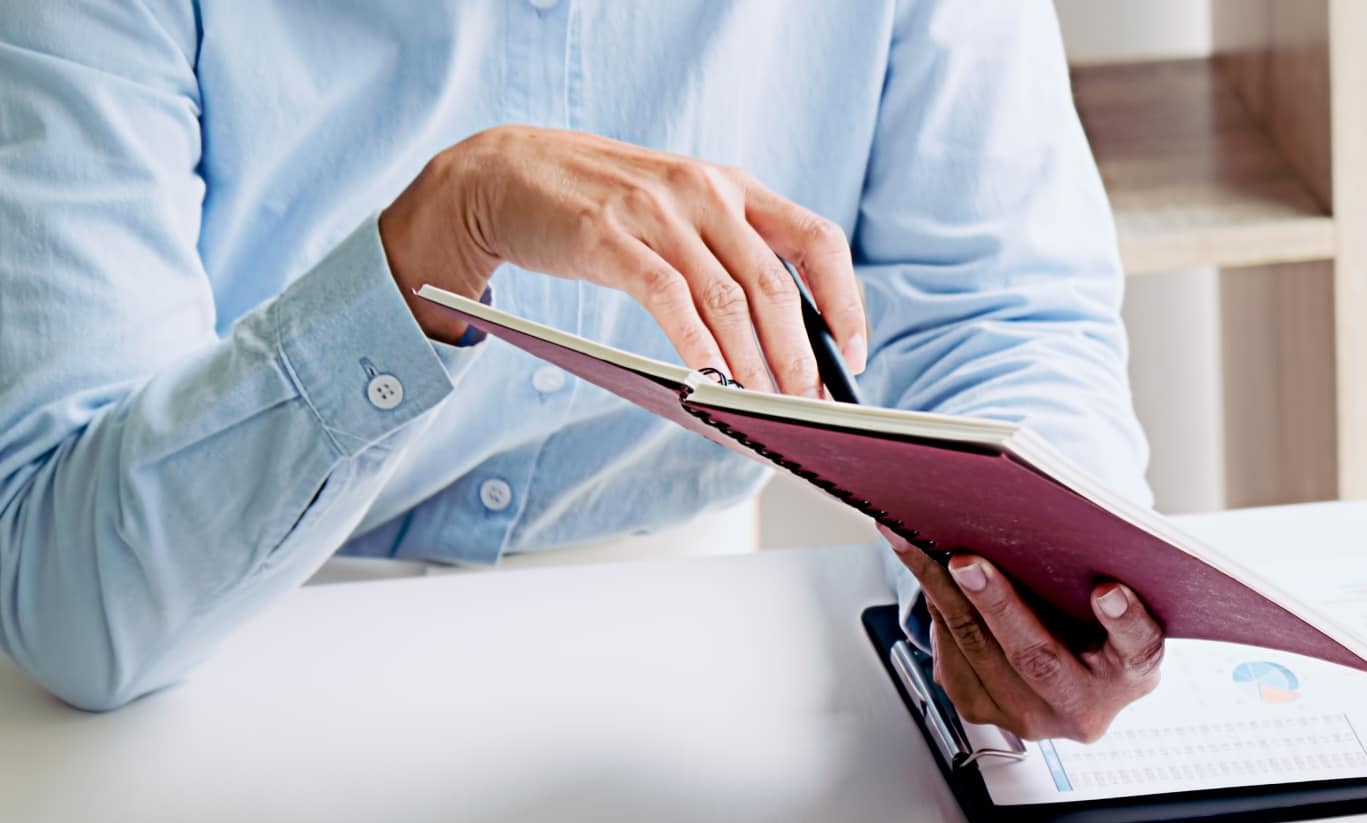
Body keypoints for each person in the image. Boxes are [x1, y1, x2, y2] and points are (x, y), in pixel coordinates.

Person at [0, 3, 1164, 743]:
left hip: (688, 662)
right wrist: (433, 244)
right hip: (213, 660)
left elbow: (1000, 311)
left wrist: (1049, 581)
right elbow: (74, 605)